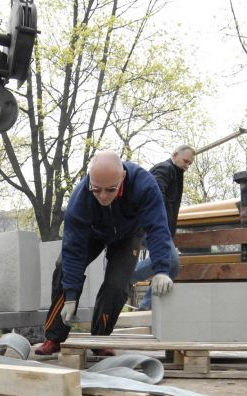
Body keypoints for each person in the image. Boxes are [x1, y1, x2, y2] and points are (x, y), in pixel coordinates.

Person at [35, 151, 175, 356]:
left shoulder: (144, 185)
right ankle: (53, 337)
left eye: (110, 190)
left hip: (129, 235)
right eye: (97, 189)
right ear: (90, 181)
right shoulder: (80, 198)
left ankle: (100, 338)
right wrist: (71, 295)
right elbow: (73, 249)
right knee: (64, 268)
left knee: (117, 285)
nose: (103, 196)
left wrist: (162, 269)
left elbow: (158, 228)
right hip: (93, 232)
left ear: (123, 179)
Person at [131, 145, 195, 310]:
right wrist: (160, 227)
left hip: (162, 229)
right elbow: (154, 195)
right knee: (170, 260)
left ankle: (147, 307)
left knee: (171, 267)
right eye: (185, 161)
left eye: (190, 163)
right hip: (149, 226)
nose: (187, 165)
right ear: (174, 155)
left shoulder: (176, 173)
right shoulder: (164, 168)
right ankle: (125, 277)